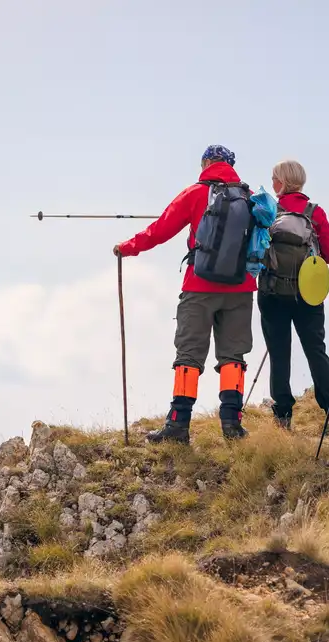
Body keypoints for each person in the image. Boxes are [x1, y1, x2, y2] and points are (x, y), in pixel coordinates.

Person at [113, 145, 256, 444]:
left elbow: (160, 230)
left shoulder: (194, 193)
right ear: (232, 165)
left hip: (199, 286)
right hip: (240, 288)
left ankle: (178, 425)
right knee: (233, 355)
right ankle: (232, 424)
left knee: (189, 354)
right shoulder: (250, 197)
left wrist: (127, 247)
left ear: (205, 163)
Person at [257, 159, 329, 432]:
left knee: (279, 354)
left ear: (281, 182)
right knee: (316, 351)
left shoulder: (268, 210)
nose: (272, 183)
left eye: (274, 178)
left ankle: (282, 415)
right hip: (308, 295)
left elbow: (255, 250)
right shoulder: (315, 213)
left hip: (272, 293)